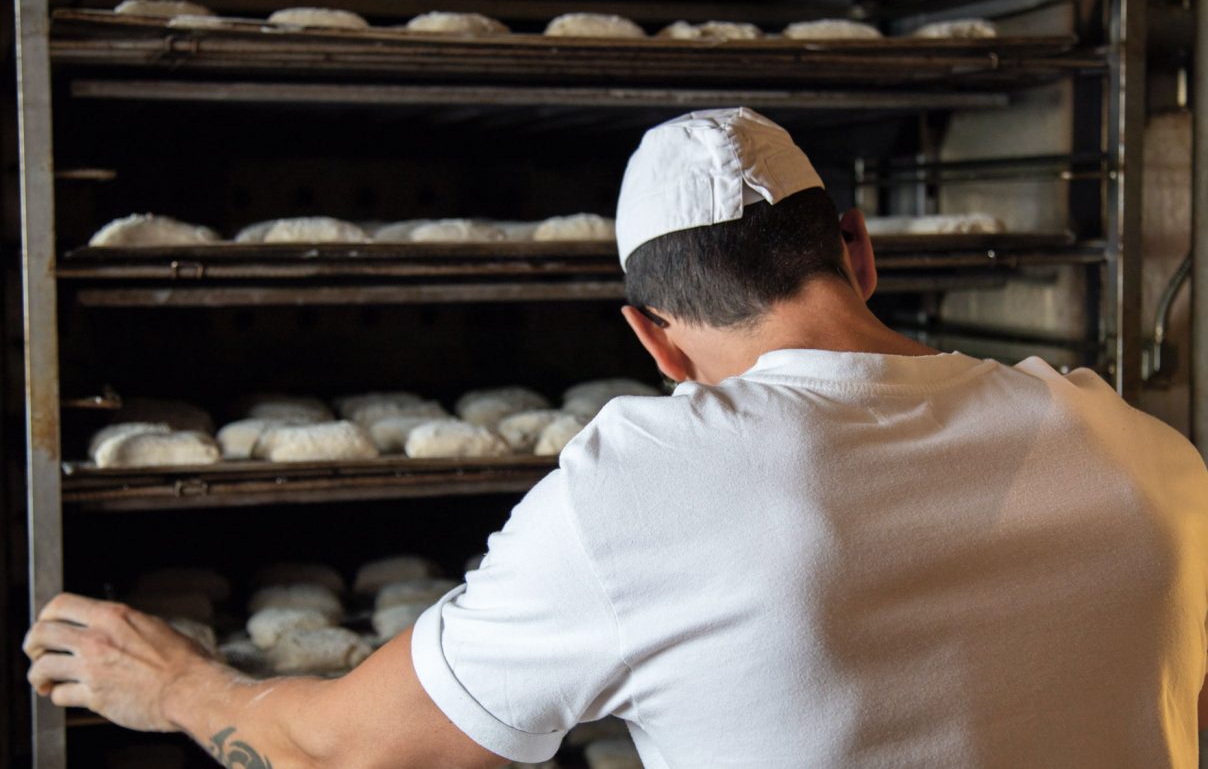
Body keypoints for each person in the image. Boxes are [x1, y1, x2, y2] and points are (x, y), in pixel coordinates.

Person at [25, 108, 1208, 768]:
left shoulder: (645, 490)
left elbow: (346, 754)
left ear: (651, 336)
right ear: (856, 251)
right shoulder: (1139, 449)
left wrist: (183, 685)